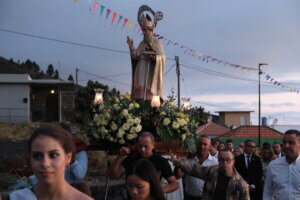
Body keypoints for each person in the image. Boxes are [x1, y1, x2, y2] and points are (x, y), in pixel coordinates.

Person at [8, 124, 92, 200]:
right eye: (37, 156)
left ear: (68, 158)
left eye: (54, 155)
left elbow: (80, 174)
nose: (45, 164)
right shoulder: (17, 197)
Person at [110, 132, 179, 193]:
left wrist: (160, 190)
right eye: (140, 146)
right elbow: (115, 175)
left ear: (153, 145)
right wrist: (119, 157)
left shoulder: (160, 161)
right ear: (137, 145)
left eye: (146, 146)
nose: (142, 149)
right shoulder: (131, 158)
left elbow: (175, 184)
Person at [171, 150, 250, 200]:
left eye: (228, 160)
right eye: (221, 160)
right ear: (218, 160)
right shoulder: (212, 171)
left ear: (233, 161)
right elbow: (193, 169)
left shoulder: (241, 183)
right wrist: (177, 161)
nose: (225, 162)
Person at [128, 5, 165, 101]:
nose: (144, 32)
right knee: (140, 94)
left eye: (146, 30)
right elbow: (135, 56)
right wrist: (132, 47)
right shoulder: (142, 43)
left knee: (149, 94)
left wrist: (153, 57)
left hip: (150, 70)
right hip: (140, 68)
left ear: (151, 31)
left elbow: (162, 57)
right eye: (143, 30)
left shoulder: (157, 42)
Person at [174, 136, 218, 200]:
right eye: (200, 144)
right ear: (196, 145)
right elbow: (178, 176)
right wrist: (178, 162)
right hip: (189, 197)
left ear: (209, 146)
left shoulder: (215, 162)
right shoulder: (188, 159)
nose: (202, 146)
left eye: (205, 144)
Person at [263, 129, 300, 200]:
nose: (286, 146)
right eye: (284, 142)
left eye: (291, 142)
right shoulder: (273, 166)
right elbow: (268, 192)